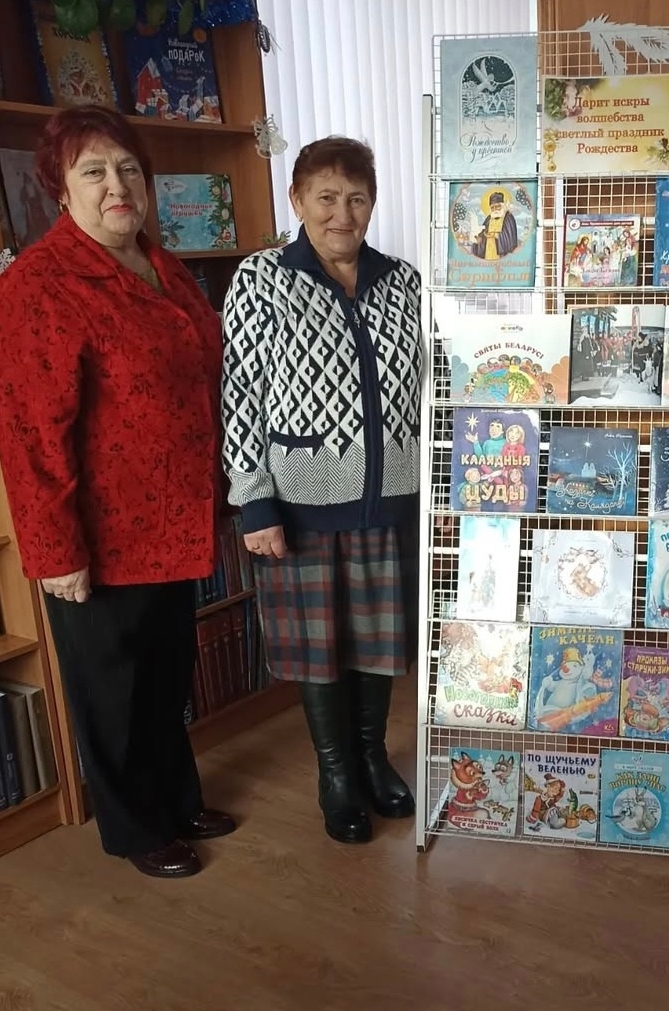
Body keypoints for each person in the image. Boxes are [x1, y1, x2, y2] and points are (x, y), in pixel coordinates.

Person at [0, 105, 236, 879]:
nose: (117, 185)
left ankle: (177, 799)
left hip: (173, 522)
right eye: (94, 171)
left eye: (129, 168)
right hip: (99, 537)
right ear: (60, 188)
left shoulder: (162, 265)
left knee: (165, 678)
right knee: (113, 691)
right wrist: (55, 550)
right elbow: (30, 434)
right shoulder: (40, 284)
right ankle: (136, 828)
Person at [221, 136, 422, 844]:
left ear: (374, 202)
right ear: (298, 200)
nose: (343, 214)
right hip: (299, 503)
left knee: (376, 642)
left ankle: (372, 757)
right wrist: (255, 500)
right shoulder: (260, 279)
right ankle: (335, 772)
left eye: (357, 198)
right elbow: (239, 395)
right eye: (327, 197)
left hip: (390, 497)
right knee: (320, 648)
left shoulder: (405, 283)